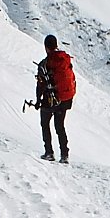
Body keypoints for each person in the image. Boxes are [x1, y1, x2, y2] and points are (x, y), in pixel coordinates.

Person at [36, 35, 76, 163]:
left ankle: (49, 152)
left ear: (46, 47)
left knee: (45, 123)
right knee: (60, 126)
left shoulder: (44, 64)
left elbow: (40, 85)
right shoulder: (64, 60)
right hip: (64, 99)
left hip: (50, 99)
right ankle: (64, 155)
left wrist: (38, 100)